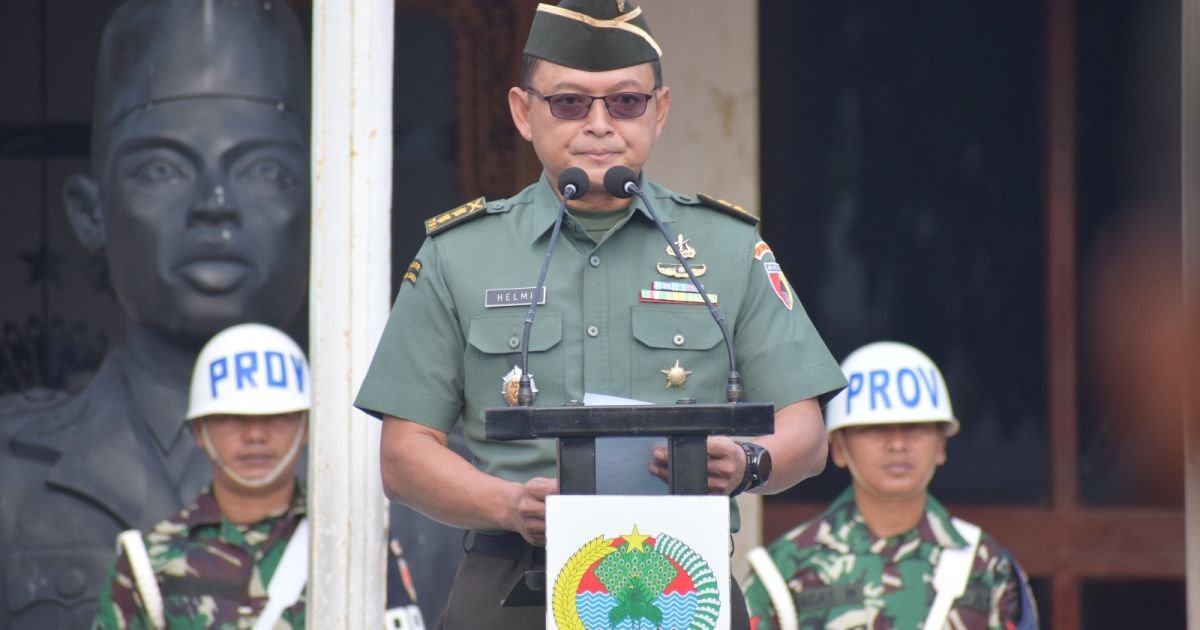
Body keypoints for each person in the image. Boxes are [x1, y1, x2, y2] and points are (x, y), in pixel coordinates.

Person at [353, 1, 847, 627]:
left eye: (625, 102)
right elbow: (403, 455)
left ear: (660, 110)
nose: (599, 124)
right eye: (568, 102)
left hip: (681, 585)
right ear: (521, 111)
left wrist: (749, 461)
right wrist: (509, 504)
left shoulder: (726, 249)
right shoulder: (459, 255)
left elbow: (805, 431)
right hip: (512, 585)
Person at [0, 2, 310, 627]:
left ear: (323, 204)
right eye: (161, 169)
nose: (215, 205)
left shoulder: (399, 475)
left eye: (264, 170)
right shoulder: (10, 475)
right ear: (90, 213)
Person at [93, 323, 426, 630]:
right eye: (232, 418)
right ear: (199, 430)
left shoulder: (356, 543)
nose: (255, 435)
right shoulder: (145, 560)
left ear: (306, 427)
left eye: (276, 417)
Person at [743, 341, 1039, 630]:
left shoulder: (986, 565)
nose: (898, 445)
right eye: (875, 429)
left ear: (941, 444)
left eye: (916, 427)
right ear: (839, 448)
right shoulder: (781, 570)